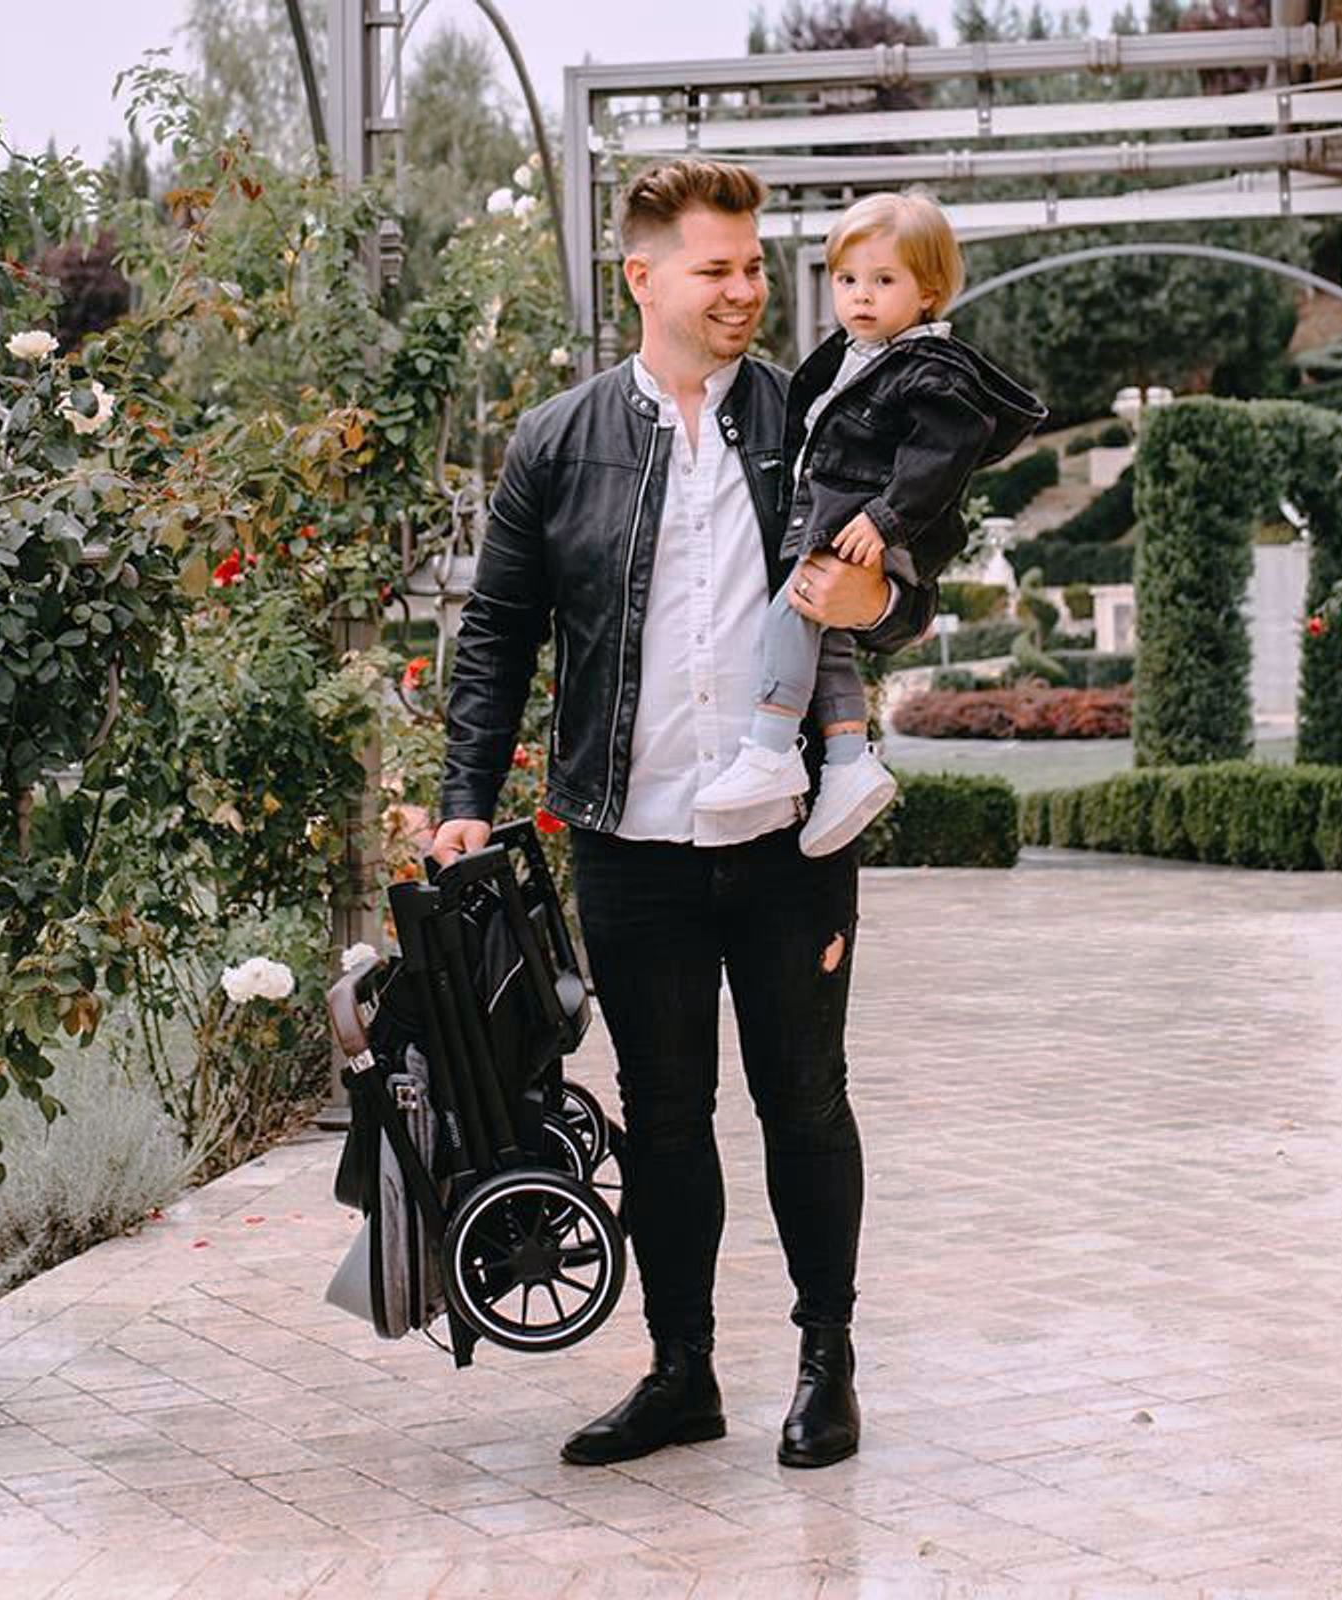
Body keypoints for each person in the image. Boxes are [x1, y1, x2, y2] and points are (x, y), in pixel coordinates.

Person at [431, 160, 934, 1471]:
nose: (744, 289)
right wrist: (463, 803)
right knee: (661, 1112)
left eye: (754, 265)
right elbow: (497, 633)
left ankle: (825, 1366)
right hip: (629, 835)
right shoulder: (557, 441)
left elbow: (906, 585)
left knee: (804, 1100)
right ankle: (681, 1372)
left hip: (790, 837)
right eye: (717, 268)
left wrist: (877, 604)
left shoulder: (814, 415)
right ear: (641, 277)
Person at [694, 190, 1047, 857]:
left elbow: (942, 454)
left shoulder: (930, 368)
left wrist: (884, 520)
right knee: (825, 638)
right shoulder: (862, 354)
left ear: (928, 292)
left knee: (792, 610)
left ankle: (771, 746)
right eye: (847, 279)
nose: (860, 296)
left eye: (884, 281)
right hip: (860, 520)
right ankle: (849, 758)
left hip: (876, 526)